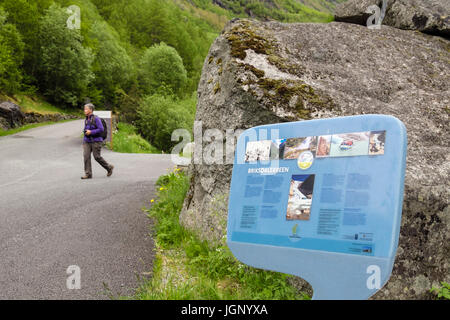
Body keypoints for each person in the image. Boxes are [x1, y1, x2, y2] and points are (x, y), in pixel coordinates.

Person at [81, 103, 114, 179]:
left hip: (96, 141)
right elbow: (85, 129)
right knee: (86, 156)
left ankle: (109, 167)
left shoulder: (96, 118)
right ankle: (88, 174)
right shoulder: (86, 119)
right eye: (84, 109)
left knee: (97, 157)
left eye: (86, 109)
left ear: (91, 110)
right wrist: (85, 137)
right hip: (87, 141)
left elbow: (101, 129)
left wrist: (91, 132)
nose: (84, 110)